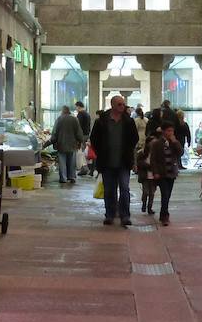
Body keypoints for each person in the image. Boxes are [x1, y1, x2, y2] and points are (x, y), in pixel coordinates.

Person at [88, 94, 140, 226]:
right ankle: (110, 214)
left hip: (123, 162)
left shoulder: (128, 121)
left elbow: (134, 139)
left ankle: (125, 215)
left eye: (123, 104)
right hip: (107, 162)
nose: (122, 107)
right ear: (112, 105)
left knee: (124, 188)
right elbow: (94, 139)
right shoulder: (101, 121)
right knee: (109, 190)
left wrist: (129, 153)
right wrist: (101, 152)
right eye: (119, 104)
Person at [144, 120, 182, 225]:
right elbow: (153, 159)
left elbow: (180, 153)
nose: (170, 133)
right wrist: (155, 172)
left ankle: (163, 214)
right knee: (164, 194)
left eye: (172, 131)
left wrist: (175, 142)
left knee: (168, 195)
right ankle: (165, 216)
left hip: (171, 173)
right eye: (168, 131)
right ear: (164, 131)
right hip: (162, 173)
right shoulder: (157, 143)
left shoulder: (173, 142)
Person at [43, 105, 84, 184]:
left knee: (62, 162)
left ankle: (63, 178)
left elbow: (54, 134)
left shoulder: (59, 119)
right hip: (73, 145)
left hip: (61, 144)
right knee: (72, 162)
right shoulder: (74, 119)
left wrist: (47, 143)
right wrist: (80, 141)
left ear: (63, 111)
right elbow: (79, 132)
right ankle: (72, 177)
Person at [75, 100, 93, 175]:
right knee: (83, 152)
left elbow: (78, 126)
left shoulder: (80, 114)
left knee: (80, 153)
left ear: (78, 107)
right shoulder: (87, 114)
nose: (76, 109)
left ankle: (84, 168)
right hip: (86, 134)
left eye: (76, 107)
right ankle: (85, 168)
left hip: (81, 135)